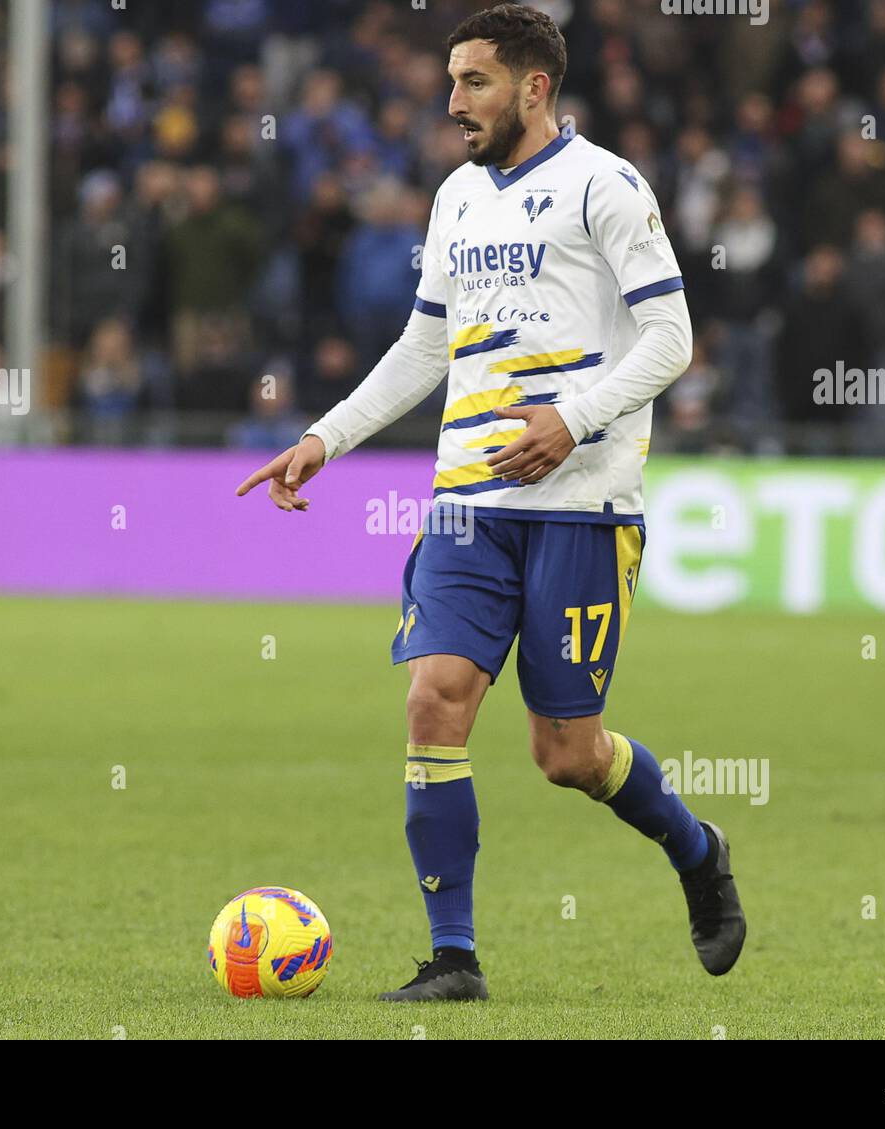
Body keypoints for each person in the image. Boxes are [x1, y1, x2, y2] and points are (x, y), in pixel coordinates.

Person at [236, 2, 745, 1002]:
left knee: (566, 753)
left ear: (533, 87)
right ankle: (453, 957)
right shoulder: (455, 198)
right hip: (468, 500)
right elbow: (426, 346)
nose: (453, 99)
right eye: (452, 79)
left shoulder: (604, 185)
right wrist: (324, 436)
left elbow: (671, 336)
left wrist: (575, 419)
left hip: (582, 507)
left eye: (473, 81)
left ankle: (695, 848)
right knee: (433, 697)